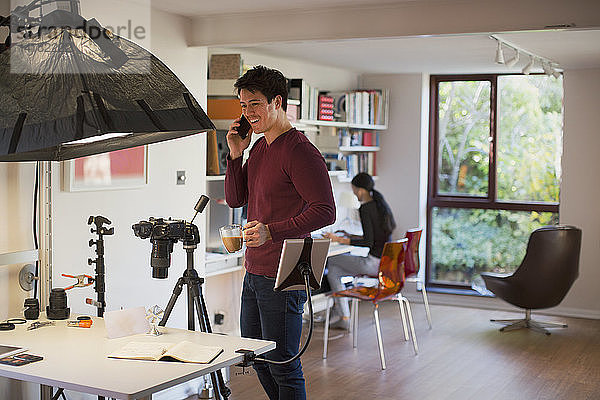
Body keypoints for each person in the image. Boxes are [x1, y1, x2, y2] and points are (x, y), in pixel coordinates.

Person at [224, 65, 336, 400]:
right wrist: (234, 155)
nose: (248, 113)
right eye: (243, 106)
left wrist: (273, 232)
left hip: (284, 272)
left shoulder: (298, 150)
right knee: (256, 357)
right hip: (254, 268)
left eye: (255, 104)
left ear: (277, 101)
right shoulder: (258, 149)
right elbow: (235, 198)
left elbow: (325, 211)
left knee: (283, 363)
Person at [322, 172, 396, 329]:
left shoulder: (366, 208)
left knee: (330, 260)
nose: (354, 194)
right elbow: (374, 236)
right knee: (334, 271)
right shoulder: (380, 204)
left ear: (360, 190)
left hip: (372, 264)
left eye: (354, 190)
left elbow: (367, 242)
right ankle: (343, 315)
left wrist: (339, 239)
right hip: (385, 264)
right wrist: (350, 235)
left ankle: (343, 314)